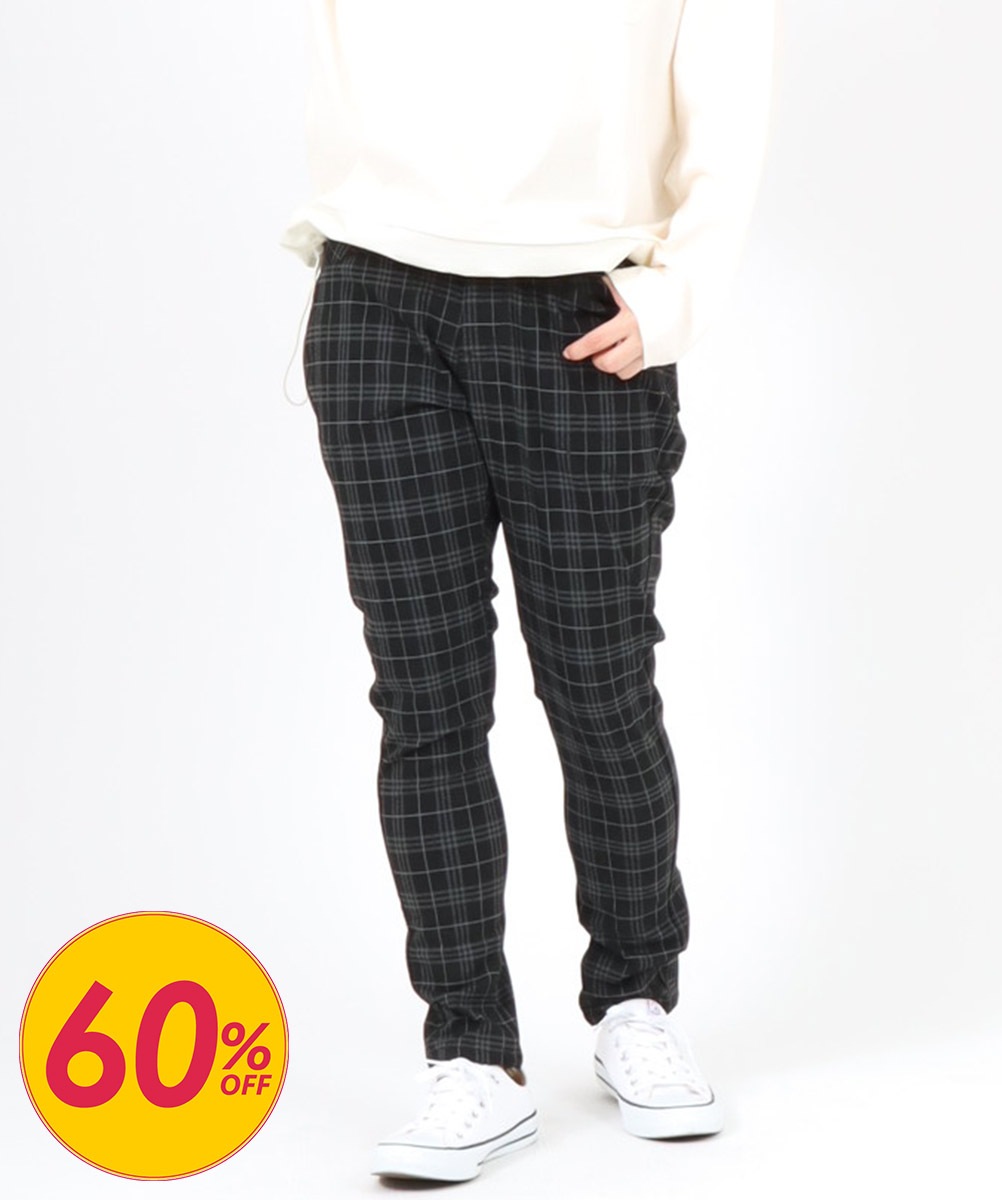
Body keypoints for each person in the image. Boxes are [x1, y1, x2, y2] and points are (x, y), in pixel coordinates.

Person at [282, 0, 777, 1182]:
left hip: (581, 299)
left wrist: (680, 292)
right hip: (377, 293)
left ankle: (635, 1002)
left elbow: (730, 73)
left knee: (600, 688)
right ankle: (471, 1053)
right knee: (427, 699)